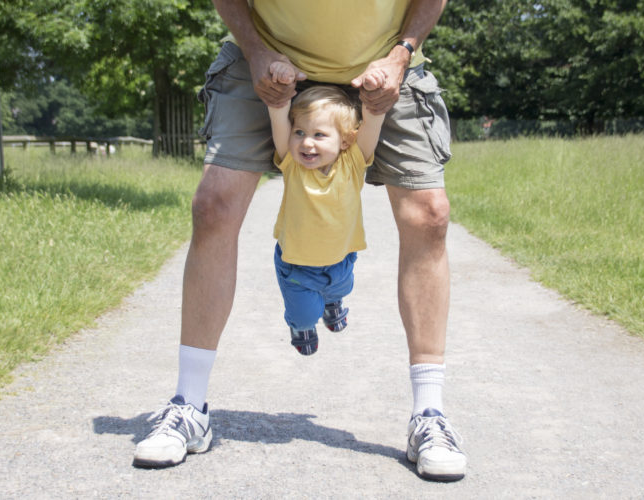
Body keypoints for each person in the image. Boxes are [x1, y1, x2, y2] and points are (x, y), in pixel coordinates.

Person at [132, 0, 467, 482]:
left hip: (382, 67)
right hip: (270, 63)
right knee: (214, 205)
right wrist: (254, 50)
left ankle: (429, 416)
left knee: (429, 215)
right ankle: (189, 406)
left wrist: (401, 55)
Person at [266, 63, 386, 356]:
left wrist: (374, 91)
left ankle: (334, 303)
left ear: (345, 140)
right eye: (299, 132)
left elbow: (372, 122)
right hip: (297, 264)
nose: (306, 142)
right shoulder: (292, 164)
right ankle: (300, 325)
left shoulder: (354, 161)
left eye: (319, 135)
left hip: (340, 259)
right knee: (306, 313)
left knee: (341, 290)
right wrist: (280, 86)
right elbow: (278, 116)